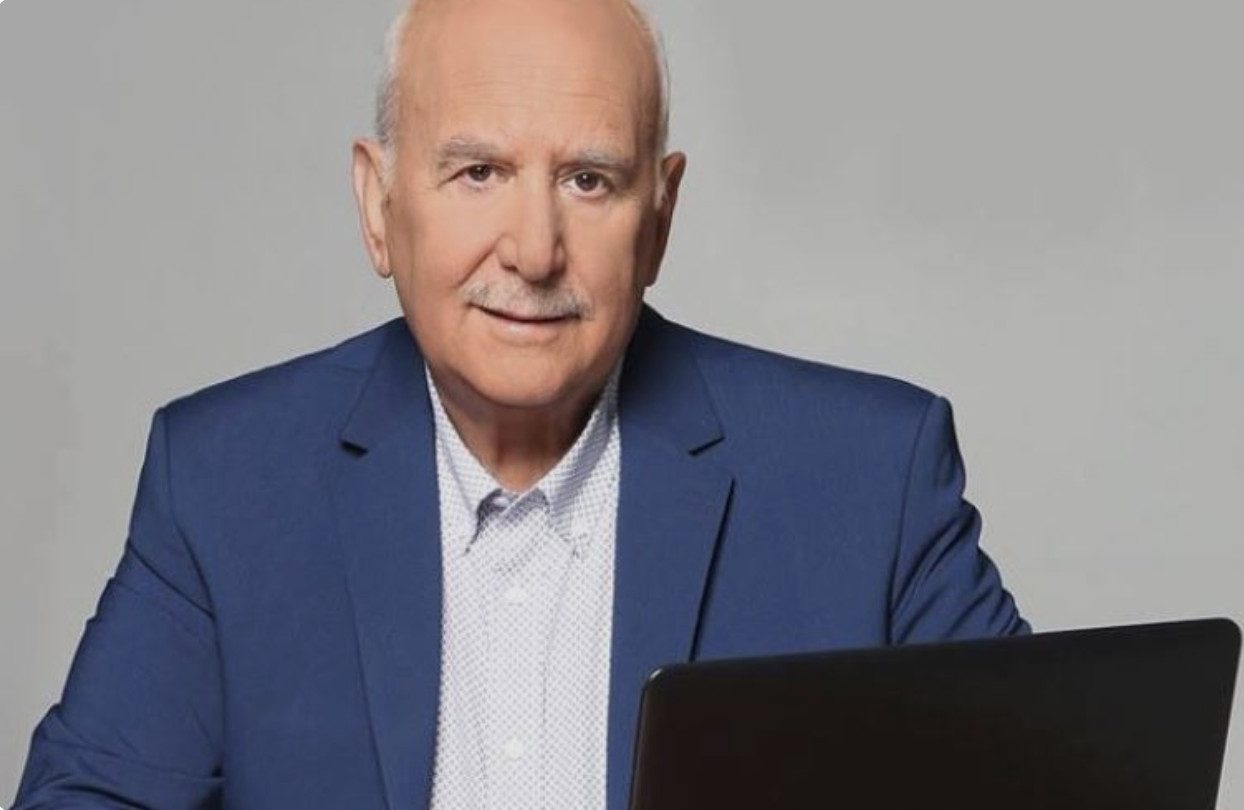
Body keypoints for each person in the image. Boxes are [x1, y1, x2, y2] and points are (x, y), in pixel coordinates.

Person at [12, 0, 1028, 807]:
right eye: (478, 172)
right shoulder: (225, 482)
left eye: (588, 180)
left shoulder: (869, 481)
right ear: (377, 206)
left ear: (658, 217)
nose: (534, 250)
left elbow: (1050, 784)